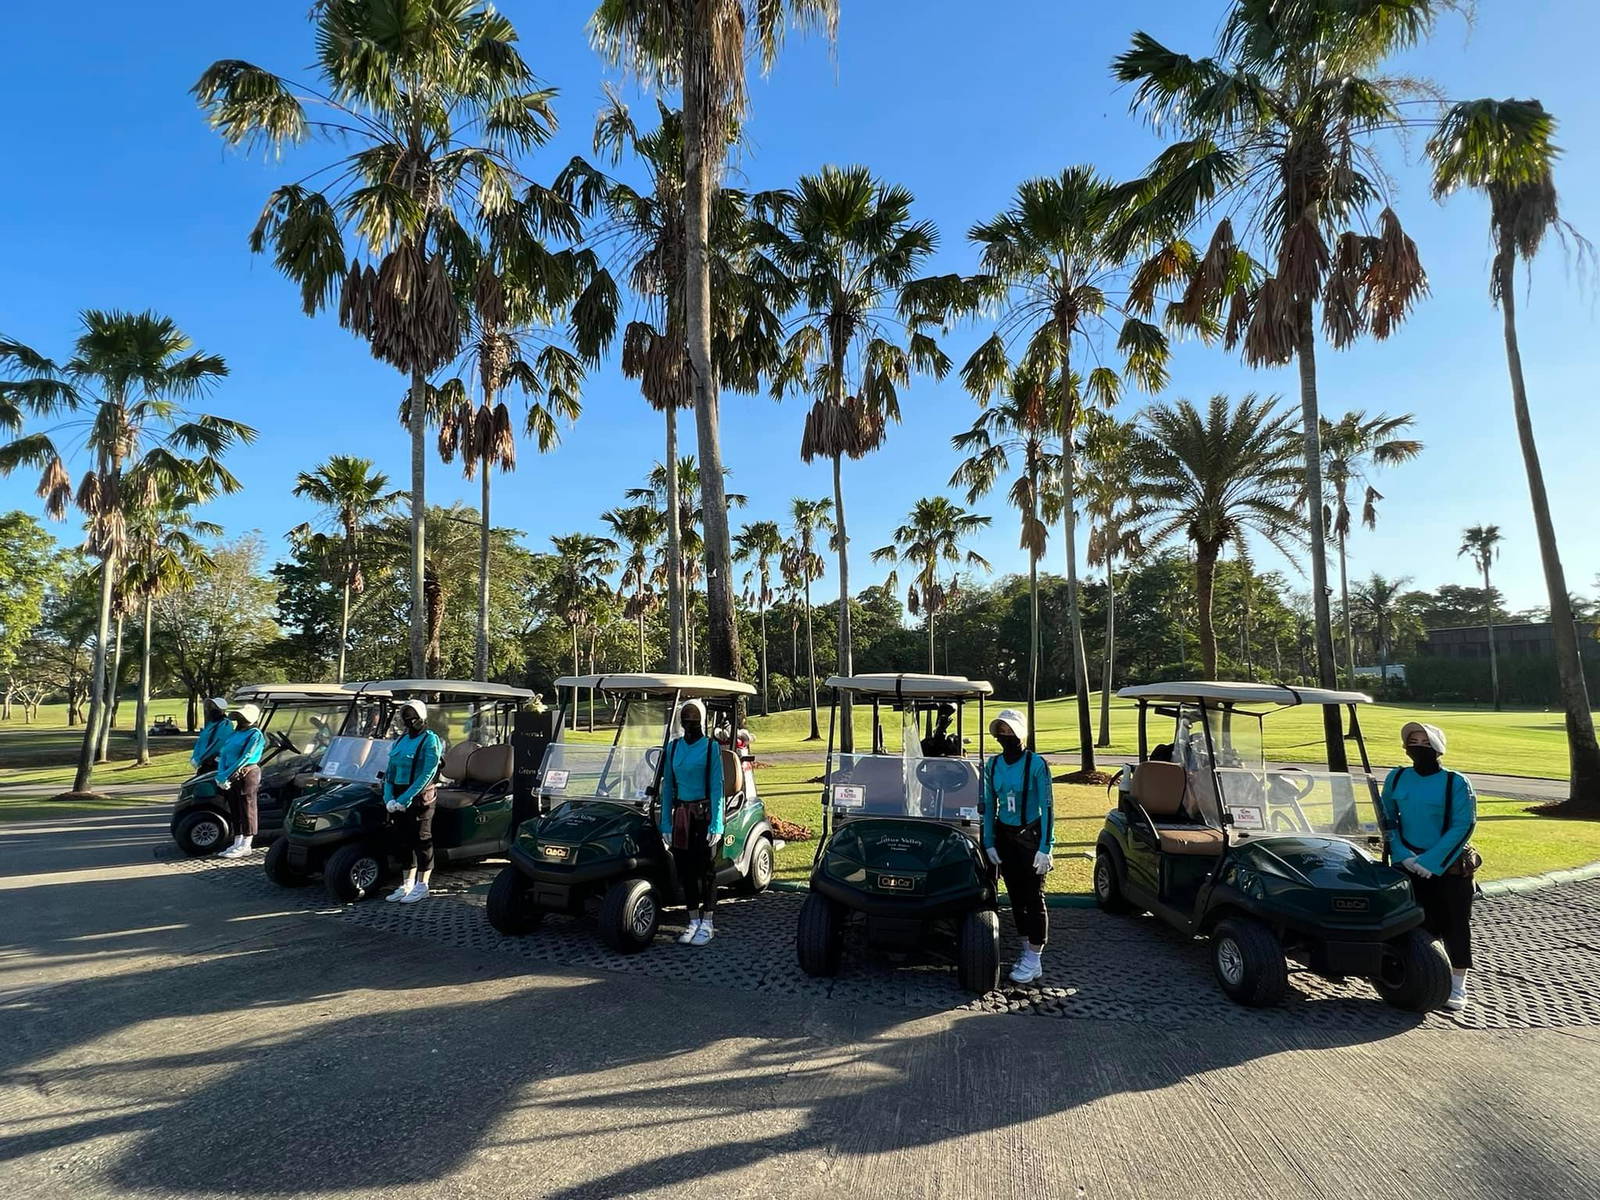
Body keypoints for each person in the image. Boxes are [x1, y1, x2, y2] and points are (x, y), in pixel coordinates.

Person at [1380, 721, 1478, 1012]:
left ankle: (1458, 985)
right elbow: (1388, 820)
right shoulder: (1397, 778)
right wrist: (1402, 855)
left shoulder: (1455, 782)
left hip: (1447, 868)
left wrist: (1431, 862)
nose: (1418, 747)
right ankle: (1417, 976)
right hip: (1407, 862)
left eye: (1425, 742)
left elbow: (1464, 825)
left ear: (1437, 748)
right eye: (1413, 741)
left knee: (1455, 925)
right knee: (1413, 923)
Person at [980, 709, 1055, 984]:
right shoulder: (992, 765)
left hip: (1031, 836)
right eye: (1001, 731)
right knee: (1015, 896)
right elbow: (988, 805)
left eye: (1010, 731)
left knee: (1034, 897)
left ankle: (1035, 956)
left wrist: (1046, 846)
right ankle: (1026, 951)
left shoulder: (1037, 765)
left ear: (1021, 733)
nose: (1005, 736)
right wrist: (988, 841)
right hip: (1004, 836)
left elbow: (1047, 807)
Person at [658, 698, 724, 947]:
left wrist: (716, 823)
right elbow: (667, 789)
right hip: (682, 817)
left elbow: (717, 788)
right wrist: (666, 823)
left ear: (703, 720)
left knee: (705, 871)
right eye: (686, 718)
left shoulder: (711, 748)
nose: (690, 722)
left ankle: (708, 921)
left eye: (695, 718)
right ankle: (693, 919)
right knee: (686, 871)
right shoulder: (673, 748)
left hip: (704, 816)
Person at [383, 700, 443, 904]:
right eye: (406, 715)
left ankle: (422, 885)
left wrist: (405, 798)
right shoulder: (400, 741)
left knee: (421, 839)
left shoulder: (430, 740)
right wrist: (389, 798)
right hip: (398, 795)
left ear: (422, 716)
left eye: (413, 714)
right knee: (403, 840)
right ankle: (407, 883)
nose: (409, 719)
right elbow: (390, 772)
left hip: (420, 796)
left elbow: (428, 773)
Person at [214, 703, 266, 858]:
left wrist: (226, 774)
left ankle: (246, 844)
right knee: (234, 807)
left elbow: (246, 757)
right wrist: (221, 774)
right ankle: (237, 842)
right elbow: (224, 754)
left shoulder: (255, 734)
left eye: (242, 717)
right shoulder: (235, 734)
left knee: (247, 807)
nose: (240, 719)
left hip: (247, 774)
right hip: (229, 775)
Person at [190, 697, 231, 774]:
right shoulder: (210, 724)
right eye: (210, 707)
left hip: (215, 763)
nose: (211, 709)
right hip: (204, 762)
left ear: (222, 710)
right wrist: (195, 757)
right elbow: (200, 742)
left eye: (214, 707)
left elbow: (217, 744)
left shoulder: (225, 724)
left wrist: (200, 758)